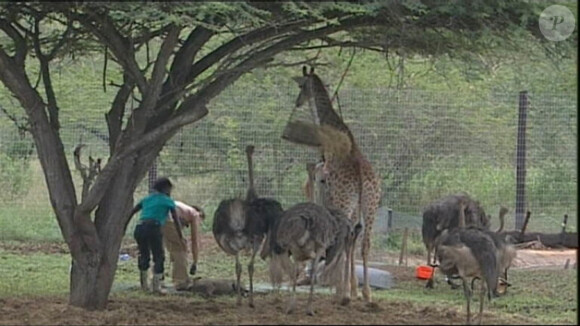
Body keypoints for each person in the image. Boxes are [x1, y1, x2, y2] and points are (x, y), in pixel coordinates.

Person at [128, 177, 186, 294]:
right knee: (159, 256)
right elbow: (175, 219)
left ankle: (144, 286)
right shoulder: (167, 201)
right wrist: (181, 236)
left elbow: (133, 211)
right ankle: (156, 286)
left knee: (144, 254)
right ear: (165, 189)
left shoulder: (147, 199)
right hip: (154, 228)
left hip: (140, 227)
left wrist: (123, 225)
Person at [162, 201, 206, 290]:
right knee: (181, 248)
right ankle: (180, 281)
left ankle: (157, 279)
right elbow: (194, 240)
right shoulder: (195, 214)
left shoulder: (183, 209)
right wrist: (195, 262)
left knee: (171, 248)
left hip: (157, 218)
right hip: (168, 219)